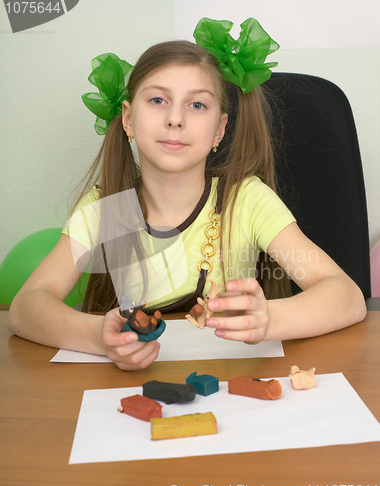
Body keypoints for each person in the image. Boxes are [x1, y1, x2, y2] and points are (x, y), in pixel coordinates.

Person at [7, 17, 366, 370]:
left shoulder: (246, 199)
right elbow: (25, 308)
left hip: (233, 385)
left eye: (197, 105)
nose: (175, 119)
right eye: (158, 100)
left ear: (219, 130)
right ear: (128, 119)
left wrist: (269, 319)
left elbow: (347, 298)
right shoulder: (106, 209)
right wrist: (99, 335)